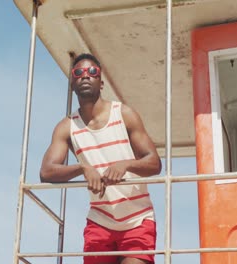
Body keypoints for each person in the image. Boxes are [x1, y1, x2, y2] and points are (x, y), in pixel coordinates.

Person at [40, 53, 162, 264]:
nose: (85, 76)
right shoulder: (66, 127)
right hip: (100, 221)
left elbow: (155, 163)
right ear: (72, 83)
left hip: (137, 219)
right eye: (78, 72)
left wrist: (126, 164)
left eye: (92, 72)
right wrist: (82, 168)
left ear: (101, 81)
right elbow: (46, 171)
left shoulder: (124, 114)